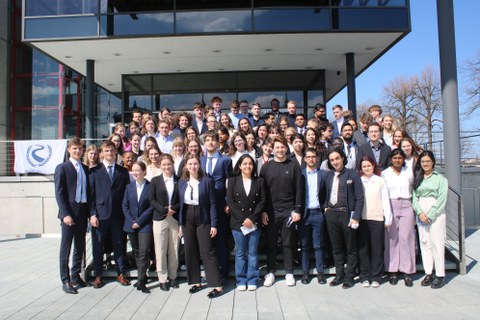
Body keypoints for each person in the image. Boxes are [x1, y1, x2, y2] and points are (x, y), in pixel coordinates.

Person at [178, 154, 224, 298]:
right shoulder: (181, 182)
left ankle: (217, 284)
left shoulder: (207, 181)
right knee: (190, 249)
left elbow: (212, 204)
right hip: (187, 218)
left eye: (195, 164)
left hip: (203, 217)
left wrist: (214, 224)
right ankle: (196, 282)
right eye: (190, 164)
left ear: (199, 165)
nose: (193, 166)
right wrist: (180, 224)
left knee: (207, 250)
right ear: (186, 166)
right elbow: (179, 204)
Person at [260, 136, 304, 287]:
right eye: (277, 147)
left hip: (288, 212)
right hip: (270, 212)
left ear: (287, 148)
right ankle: (270, 272)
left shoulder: (293, 165)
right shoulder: (266, 168)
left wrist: (297, 209)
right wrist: (263, 211)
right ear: (272, 149)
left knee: (288, 243)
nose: (280, 150)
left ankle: (289, 272)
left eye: (282, 147)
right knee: (271, 243)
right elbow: (262, 192)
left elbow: (299, 189)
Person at [89, 140, 131, 288]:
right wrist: (92, 214)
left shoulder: (123, 171)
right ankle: (98, 275)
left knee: (119, 245)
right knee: (98, 246)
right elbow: (91, 195)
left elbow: (127, 194)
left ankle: (121, 273)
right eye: (106, 151)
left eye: (111, 151)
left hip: (118, 215)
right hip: (100, 215)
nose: (109, 153)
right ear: (102, 153)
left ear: (115, 152)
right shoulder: (94, 171)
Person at [324, 148, 364, 289]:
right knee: (336, 247)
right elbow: (325, 193)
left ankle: (349, 276)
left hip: (347, 215)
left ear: (342, 158)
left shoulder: (352, 175)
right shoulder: (328, 176)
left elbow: (359, 198)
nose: (335, 162)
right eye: (332, 160)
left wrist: (356, 216)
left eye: (337, 158)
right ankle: (339, 275)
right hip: (332, 214)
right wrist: (325, 208)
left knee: (351, 247)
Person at [55, 137, 90, 294]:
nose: (77, 151)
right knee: (66, 247)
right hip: (69, 214)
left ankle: (76, 275)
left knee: (80, 246)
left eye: (80, 148)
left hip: (82, 213)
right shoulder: (62, 168)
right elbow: (59, 193)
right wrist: (65, 213)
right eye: (74, 148)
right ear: (69, 149)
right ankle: (65, 279)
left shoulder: (84, 168)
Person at [227, 154, 266, 291]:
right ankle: (241, 279)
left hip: (254, 222)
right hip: (238, 223)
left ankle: (253, 279)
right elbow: (230, 202)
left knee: (253, 253)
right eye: (244, 164)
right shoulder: (232, 181)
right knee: (240, 253)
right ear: (239, 166)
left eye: (250, 163)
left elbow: (262, 201)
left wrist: (252, 218)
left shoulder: (259, 181)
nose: (247, 166)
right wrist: (244, 219)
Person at [412, 151, 448, 289]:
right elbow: (414, 197)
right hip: (421, 211)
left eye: (428, 161)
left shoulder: (440, 179)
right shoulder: (418, 178)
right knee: (424, 242)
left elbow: (442, 199)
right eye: (423, 162)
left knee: (437, 243)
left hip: (435, 212)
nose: (425, 164)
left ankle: (440, 274)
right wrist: (420, 212)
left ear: (433, 162)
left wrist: (431, 214)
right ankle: (429, 273)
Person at [201, 130, 233, 282]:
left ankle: (224, 273)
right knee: (207, 241)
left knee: (221, 241)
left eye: (213, 140)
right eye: (207, 140)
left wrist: (228, 201)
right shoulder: (199, 160)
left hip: (220, 205)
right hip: (203, 207)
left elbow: (231, 182)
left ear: (218, 142)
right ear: (204, 143)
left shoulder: (225, 160)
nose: (210, 143)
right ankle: (211, 274)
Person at [382, 149, 416, 286]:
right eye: (395, 158)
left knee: (407, 238)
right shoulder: (385, 173)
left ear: (403, 159)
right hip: (391, 203)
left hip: (407, 204)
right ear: (391, 159)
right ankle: (392, 270)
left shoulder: (408, 172)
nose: (397, 160)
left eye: (400, 158)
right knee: (391, 238)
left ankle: (407, 271)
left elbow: (413, 189)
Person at [358, 156, 392, 288]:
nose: (366, 168)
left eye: (369, 165)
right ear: (361, 169)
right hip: (362, 219)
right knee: (363, 249)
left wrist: (388, 218)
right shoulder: (359, 181)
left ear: (373, 166)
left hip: (377, 218)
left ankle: (376, 276)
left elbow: (385, 200)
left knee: (377, 249)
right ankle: (365, 276)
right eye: (364, 166)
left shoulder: (380, 181)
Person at [149, 154, 181, 291]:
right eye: (164, 165)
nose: (167, 167)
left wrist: (173, 209)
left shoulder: (179, 180)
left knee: (174, 248)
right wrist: (164, 210)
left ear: (173, 164)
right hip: (160, 218)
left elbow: (182, 199)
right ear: (160, 166)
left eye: (169, 164)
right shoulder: (155, 181)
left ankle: (173, 277)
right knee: (160, 249)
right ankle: (162, 279)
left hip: (174, 218)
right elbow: (151, 200)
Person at [122, 161, 153, 293]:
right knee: (136, 251)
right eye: (133, 170)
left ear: (144, 172)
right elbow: (125, 205)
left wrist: (139, 221)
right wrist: (131, 221)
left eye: (138, 170)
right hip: (131, 224)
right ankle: (143, 275)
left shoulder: (150, 187)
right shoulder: (129, 187)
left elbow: (151, 206)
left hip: (144, 224)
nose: (135, 172)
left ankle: (140, 280)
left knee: (144, 251)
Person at [299, 148, 327, 285]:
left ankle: (320, 273)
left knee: (318, 245)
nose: (311, 159)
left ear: (317, 158)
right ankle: (305, 273)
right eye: (308, 157)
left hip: (317, 213)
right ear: (304, 159)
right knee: (304, 246)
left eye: (313, 157)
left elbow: (326, 193)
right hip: (304, 214)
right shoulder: (300, 174)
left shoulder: (323, 175)